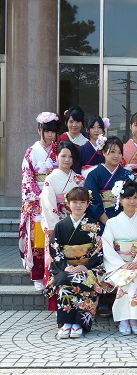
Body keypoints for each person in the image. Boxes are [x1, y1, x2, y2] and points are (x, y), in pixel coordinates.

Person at [44, 187, 103, 339]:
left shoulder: (94, 225)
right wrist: (66, 267)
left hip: (88, 267)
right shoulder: (61, 226)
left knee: (82, 279)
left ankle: (78, 323)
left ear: (88, 203)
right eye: (74, 202)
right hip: (66, 267)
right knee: (67, 281)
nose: (78, 205)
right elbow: (55, 250)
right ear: (68, 203)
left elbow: (100, 250)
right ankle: (66, 323)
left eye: (82, 202)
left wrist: (85, 266)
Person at [102, 180, 137, 335]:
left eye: (135, 197)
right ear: (121, 199)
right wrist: (121, 265)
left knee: (135, 276)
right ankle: (129, 319)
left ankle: (131, 319)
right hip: (118, 266)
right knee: (128, 276)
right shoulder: (111, 223)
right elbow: (108, 248)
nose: (132, 201)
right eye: (128, 198)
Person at [40, 141, 85, 306]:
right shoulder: (51, 179)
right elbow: (48, 204)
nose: (67, 159)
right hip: (57, 224)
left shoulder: (78, 179)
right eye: (63, 156)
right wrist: (56, 227)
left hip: (75, 222)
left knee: (75, 260)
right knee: (57, 260)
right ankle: (56, 300)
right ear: (57, 157)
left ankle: (77, 296)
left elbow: (83, 202)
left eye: (70, 156)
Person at [20, 112, 59, 290]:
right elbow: (28, 177)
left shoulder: (58, 150)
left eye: (53, 131)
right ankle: (37, 275)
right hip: (37, 201)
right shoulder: (31, 152)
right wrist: (40, 196)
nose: (50, 135)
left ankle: (53, 272)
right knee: (38, 239)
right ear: (39, 131)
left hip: (55, 200)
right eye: (47, 131)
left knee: (54, 238)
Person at [85, 136, 134, 225]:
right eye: (112, 152)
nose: (116, 156)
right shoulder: (93, 175)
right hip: (101, 220)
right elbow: (93, 201)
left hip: (124, 219)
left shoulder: (128, 175)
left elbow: (133, 198)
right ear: (103, 152)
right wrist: (108, 223)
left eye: (119, 153)